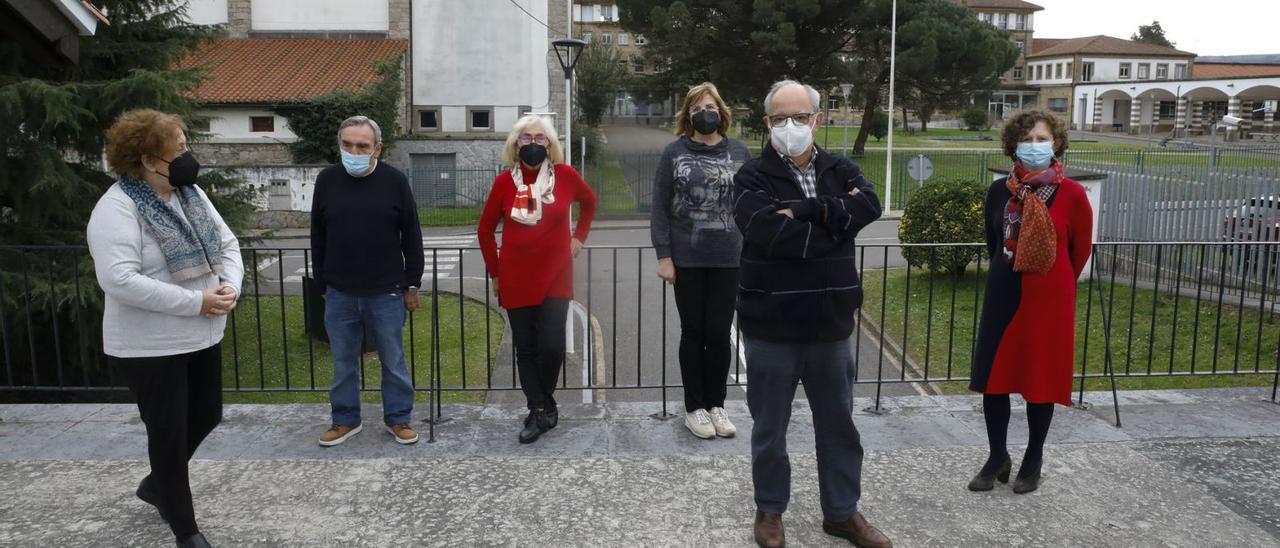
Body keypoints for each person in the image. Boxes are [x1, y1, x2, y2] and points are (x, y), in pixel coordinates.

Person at [733, 81, 891, 548]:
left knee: (839, 425)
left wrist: (803, 210)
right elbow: (767, 235)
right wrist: (835, 225)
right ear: (766, 123)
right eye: (781, 118)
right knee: (769, 429)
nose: (791, 126)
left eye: (800, 117)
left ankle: (842, 513)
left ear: (817, 119)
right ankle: (769, 510)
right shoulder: (750, 177)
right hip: (771, 326)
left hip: (831, 325)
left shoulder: (841, 168)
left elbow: (870, 205)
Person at [88, 109, 244, 548]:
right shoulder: (117, 207)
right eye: (177, 150)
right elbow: (118, 279)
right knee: (169, 436)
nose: (186, 156)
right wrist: (196, 301)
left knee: (207, 415)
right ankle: (185, 530)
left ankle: (157, 486)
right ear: (145, 159)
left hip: (203, 333)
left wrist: (229, 285)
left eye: (185, 145)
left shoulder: (190, 194)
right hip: (149, 346)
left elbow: (227, 243)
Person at [969, 109, 1093, 494]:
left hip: (1049, 300)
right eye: (1027, 139)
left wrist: (1054, 285)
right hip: (1004, 294)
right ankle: (997, 456)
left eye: (1042, 139)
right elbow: (993, 243)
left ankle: (1033, 459)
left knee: (1042, 379)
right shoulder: (997, 192)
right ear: (1013, 145)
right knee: (995, 381)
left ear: (1055, 143)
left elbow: (1079, 252)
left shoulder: (1072, 195)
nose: (1035, 145)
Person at [478, 114, 597, 444]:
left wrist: (579, 238)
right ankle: (539, 409)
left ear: (550, 144)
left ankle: (543, 404)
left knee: (552, 346)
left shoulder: (566, 177)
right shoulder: (505, 183)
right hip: (515, 277)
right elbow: (485, 230)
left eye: (539, 138)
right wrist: (496, 272)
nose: (533, 144)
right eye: (526, 139)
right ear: (515, 145)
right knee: (526, 348)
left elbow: (589, 203)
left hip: (556, 276)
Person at [311, 115, 425, 447]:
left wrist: (411, 283)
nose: (354, 151)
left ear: (378, 148)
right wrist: (322, 283)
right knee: (343, 362)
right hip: (340, 292)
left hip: (386, 292)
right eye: (347, 145)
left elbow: (412, 235)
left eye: (362, 146)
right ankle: (345, 420)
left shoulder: (395, 181)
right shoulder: (327, 180)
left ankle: (398, 418)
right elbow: (317, 235)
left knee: (393, 360)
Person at [650, 82, 751, 440]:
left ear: (721, 112)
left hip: (728, 258)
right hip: (687, 259)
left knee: (719, 332)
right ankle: (694, 408)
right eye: (696, 108)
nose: (703, 112)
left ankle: (716, 405)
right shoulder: (674, 152)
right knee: (693, 332)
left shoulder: (739, 151)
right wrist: (664, 255)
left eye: (709, 106)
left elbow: (750, 204)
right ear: (687, 115)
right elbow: (660, 208)